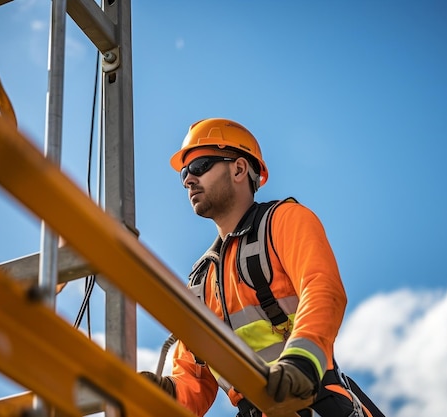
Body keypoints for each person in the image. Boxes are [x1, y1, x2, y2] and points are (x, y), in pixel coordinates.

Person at [142, 118, 361, 417]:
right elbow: (195, 379)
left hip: (313, 402)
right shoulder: (201, 279)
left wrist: (301, 363)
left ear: (239, 169)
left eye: (200, 166)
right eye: (184, 173)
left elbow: (322, 289)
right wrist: (165, 393)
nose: (188, 180)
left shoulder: (285, 220)